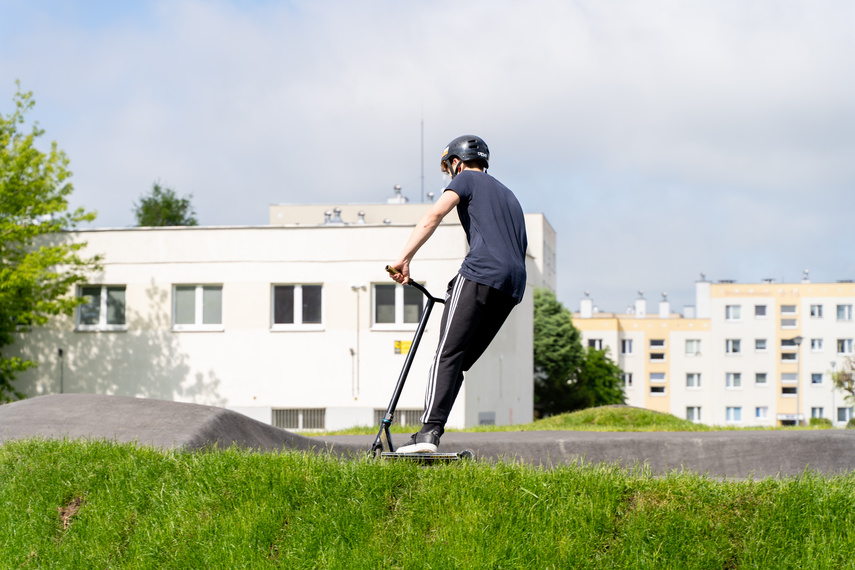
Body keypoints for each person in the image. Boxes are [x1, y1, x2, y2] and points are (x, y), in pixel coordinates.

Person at [388, 134, 528, 453]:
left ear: (455, 162)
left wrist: (404, 259)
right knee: (459, 358)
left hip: (481, 272)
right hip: (512, 285)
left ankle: (428, 433)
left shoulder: (465, 178)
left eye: (448, 169)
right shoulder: (509, 195)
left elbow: (433, 215)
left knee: (446, 353)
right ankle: (431, 431)